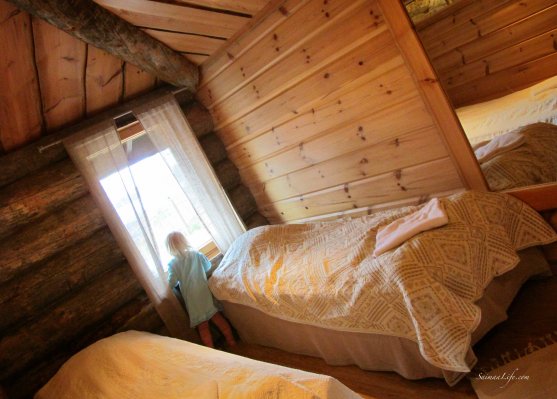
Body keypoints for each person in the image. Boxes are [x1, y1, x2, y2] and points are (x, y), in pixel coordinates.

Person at [165, 231, 236, 348]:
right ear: (184, 242)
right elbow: (207, 266)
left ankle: (211, 350)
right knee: (218, 318)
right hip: (204, 293)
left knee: (203, 327)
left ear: (170, 248)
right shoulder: (196, 254)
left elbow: (171, 283)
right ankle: (231, 341)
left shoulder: (172, 264)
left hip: (192, 300)